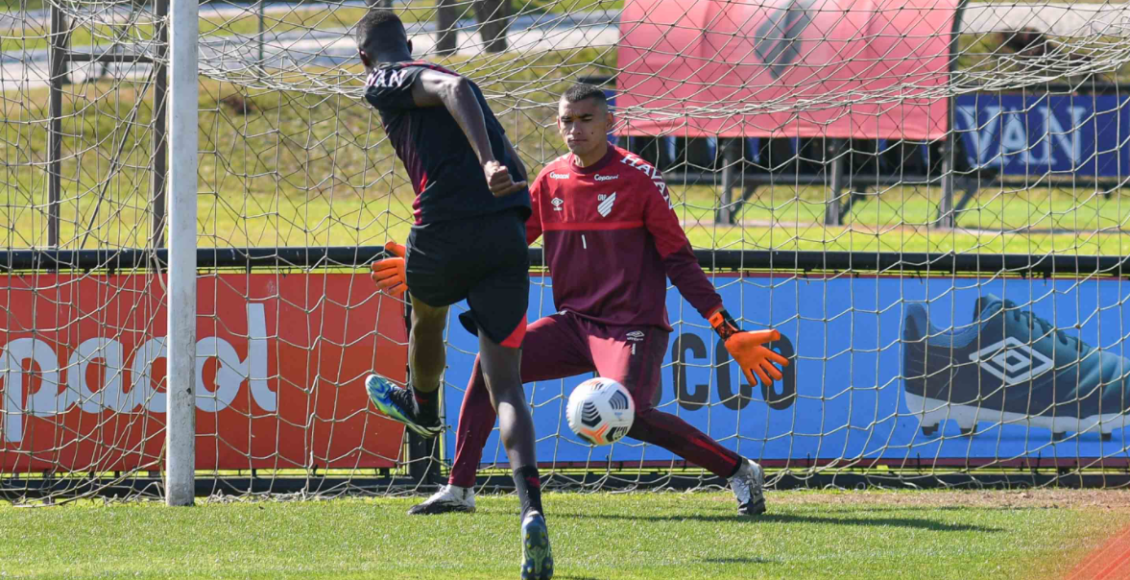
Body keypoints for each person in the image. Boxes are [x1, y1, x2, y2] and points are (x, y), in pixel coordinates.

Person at [374, 83, 789, 518]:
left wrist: (726, 328)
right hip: (573, 325)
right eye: (568, 121)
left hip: (632, 325)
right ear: (558, 125)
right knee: (488, 371)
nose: (576, 129)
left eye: (587, 119)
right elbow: (504, 244)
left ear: (610, 123)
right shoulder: (551, 179)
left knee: (630, 414)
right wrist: (432, 267)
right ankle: (459, 488)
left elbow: (680, 262)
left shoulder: (640, 178)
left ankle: (739, 470)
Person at [357, 10, 552, 580]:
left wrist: (487, 160)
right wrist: (495, 162)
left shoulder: (383, 76)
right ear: (412, 42)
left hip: (446, 226)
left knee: (426, 315)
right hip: (507, 232)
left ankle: (420, 404)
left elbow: (455, 84)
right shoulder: (419, 66)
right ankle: (531, 513)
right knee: (507, 384)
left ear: (366, 58)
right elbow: (455, 87)